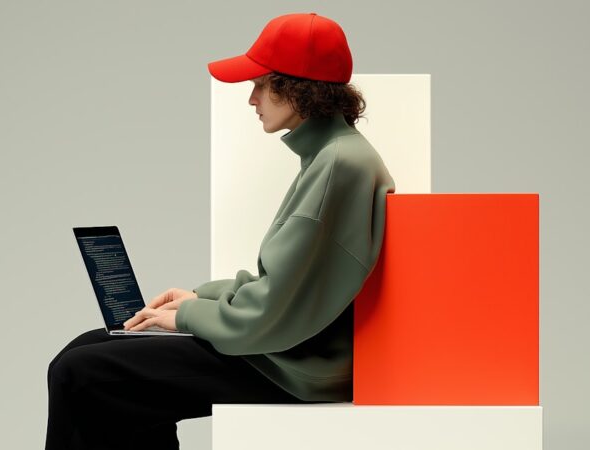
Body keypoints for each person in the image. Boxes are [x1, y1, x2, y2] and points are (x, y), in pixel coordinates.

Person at [45, 12, 395, 449]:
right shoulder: (333, 156)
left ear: (298, 88)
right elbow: (291, 285)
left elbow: (275, 310)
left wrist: (188, 317)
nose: (252, 99)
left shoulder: (340, 165)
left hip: (294, 366)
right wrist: (203, 297)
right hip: (285, 346)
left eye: (260, 85)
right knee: (85, 350)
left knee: (83, 373)